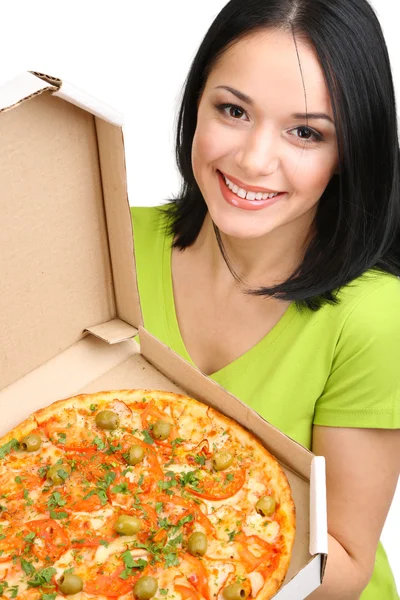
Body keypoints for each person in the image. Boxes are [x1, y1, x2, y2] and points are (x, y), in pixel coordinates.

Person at [130, 0, 400, 597]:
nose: (253, 160)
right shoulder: (106, 237)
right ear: (195, 105)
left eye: (305, 132)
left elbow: (347, 561)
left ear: (352, 151)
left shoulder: (377, 317)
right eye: (233, 110)